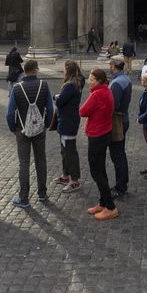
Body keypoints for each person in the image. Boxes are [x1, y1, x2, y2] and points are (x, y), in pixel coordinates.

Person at [6, 59, 53, 208]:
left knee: (24, 163)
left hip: (22, 129)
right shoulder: (44, 85)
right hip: (39, 129)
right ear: (36, 70)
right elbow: (51, 109)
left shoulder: (16, 88)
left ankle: (24, 198)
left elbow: (9, 113)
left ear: (24, 71)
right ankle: (42, 194)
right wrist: (46, 124)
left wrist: (13, 128)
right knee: (41, 160)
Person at [80, 68, 118, 220]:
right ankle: (103, 203)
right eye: (89, 77)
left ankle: (111, 207)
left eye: (92, 79)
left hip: (97, 135)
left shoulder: (97, 94)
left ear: (100, 81)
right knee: (101, 170)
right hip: (104, 133)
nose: (90, 81)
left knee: (97, 172)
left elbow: (82, 111)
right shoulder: (107, 91)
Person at [54, 60, 85, 193]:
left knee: (70, 151)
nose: (63, 71)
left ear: (68, 70)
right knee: (64, 150)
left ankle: (75, 180)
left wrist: (56, 97)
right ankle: (66, 176)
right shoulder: (76, 82)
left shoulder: (70, 85)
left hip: (68, 121)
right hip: (68, 120)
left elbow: (60, 101)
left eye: (65, 69)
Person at [108, 55, 132, 198]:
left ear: (114, 66)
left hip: (117, 121)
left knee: (117, 155)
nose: (109, 67)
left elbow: (113, 105)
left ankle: (120, 186)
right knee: (120, 153)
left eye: (110, 64)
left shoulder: (117, 83)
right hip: (124, 118)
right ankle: (123, 182)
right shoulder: (125, 79)